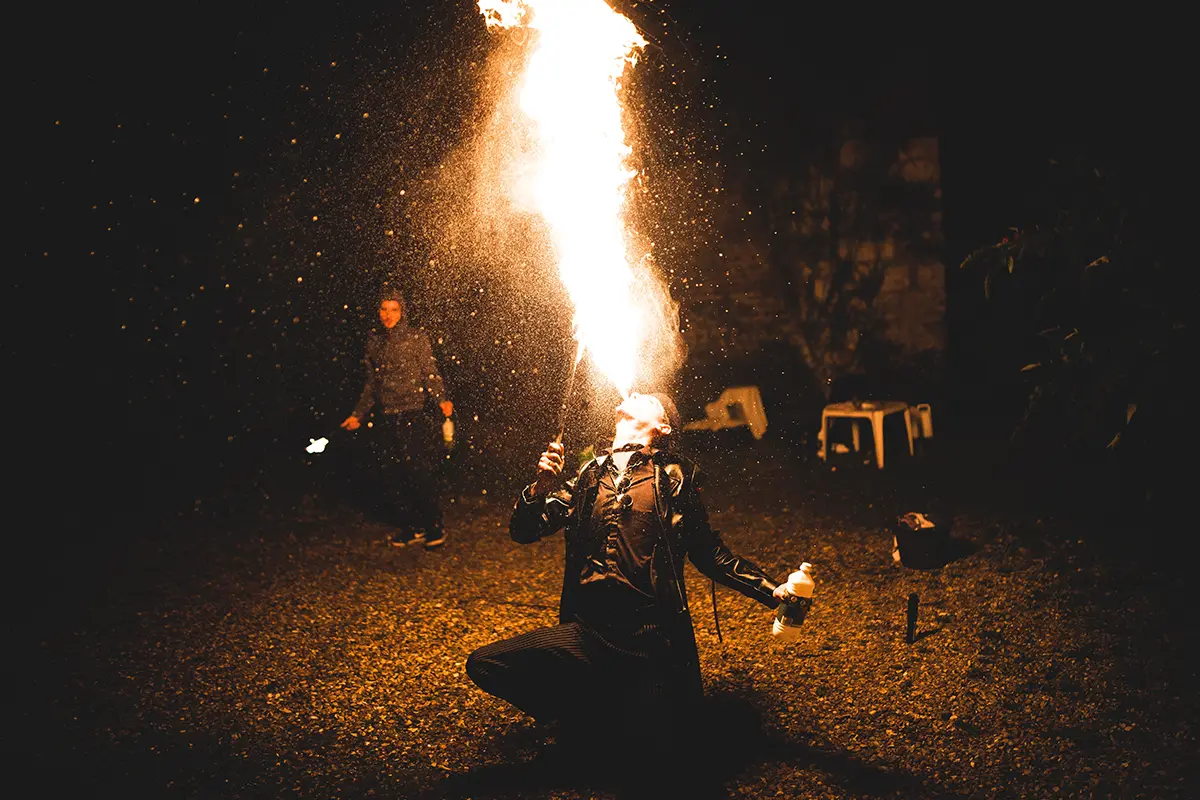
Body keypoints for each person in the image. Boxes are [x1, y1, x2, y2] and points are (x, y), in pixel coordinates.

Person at [465, 391, 801, 757]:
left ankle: (608, 715)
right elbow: (524, 531)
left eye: (650, 398)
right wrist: (539, 488)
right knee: (485, 664)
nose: (636, 392)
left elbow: (709, 554)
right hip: (588, 635)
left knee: (657, 761)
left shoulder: (676, 477)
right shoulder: (587, 475)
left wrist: (772, 591)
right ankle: (580, 709)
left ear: (662, 427)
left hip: (651, 643)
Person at [340, 289, 453, 549]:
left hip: (412, 412)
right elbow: (371, 384)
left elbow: (429, 372)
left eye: (394, 309)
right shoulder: (374, 342)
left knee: (417, 471)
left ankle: (433, 525)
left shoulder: (415, 338)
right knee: (392, 473)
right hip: (386, 414)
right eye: (384, 309)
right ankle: (411, 526)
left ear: (402, 313)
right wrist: (358, 414)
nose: (388, 315)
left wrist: (441, 398)